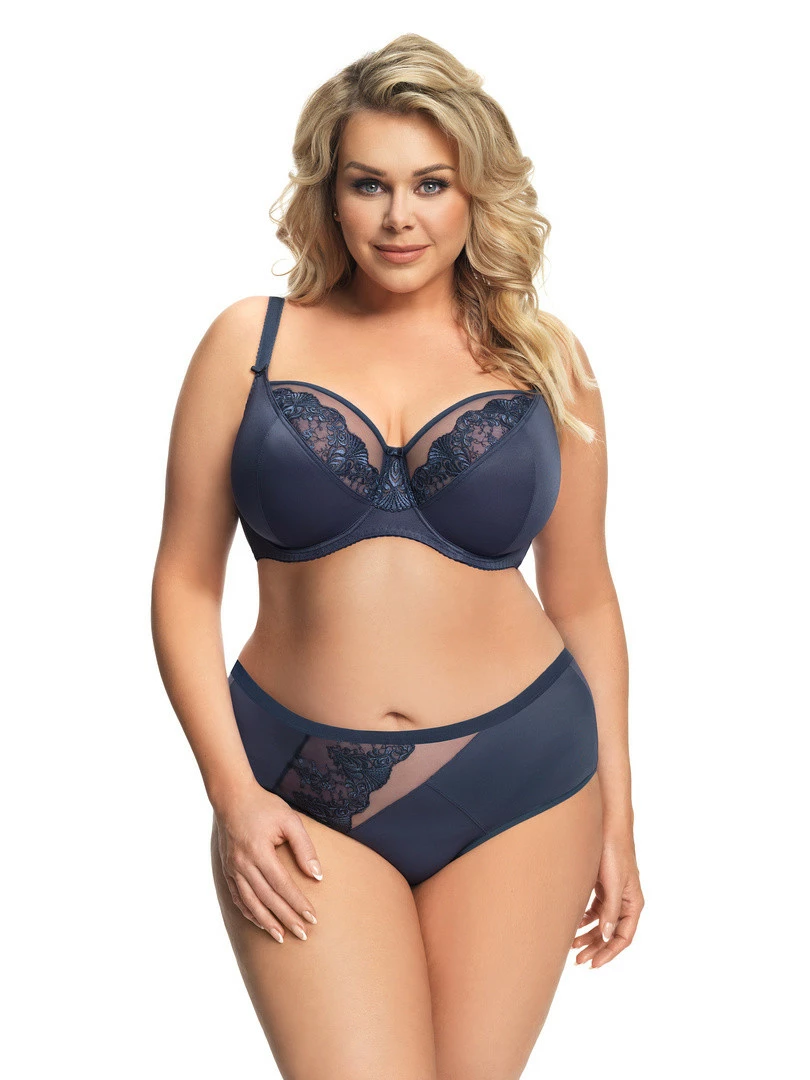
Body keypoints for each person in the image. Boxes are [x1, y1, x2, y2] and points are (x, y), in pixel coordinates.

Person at [152, 32, 643, 1080]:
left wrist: (619, 813)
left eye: (431, 184)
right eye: (368, 184)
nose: (398, 216)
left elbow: (585, 600)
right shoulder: (250, 342)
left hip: (527, 781)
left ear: (475, 195)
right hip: (298, 787)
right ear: (331, 196)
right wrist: (233, 795)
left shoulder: (546, 360)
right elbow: (184, 585)